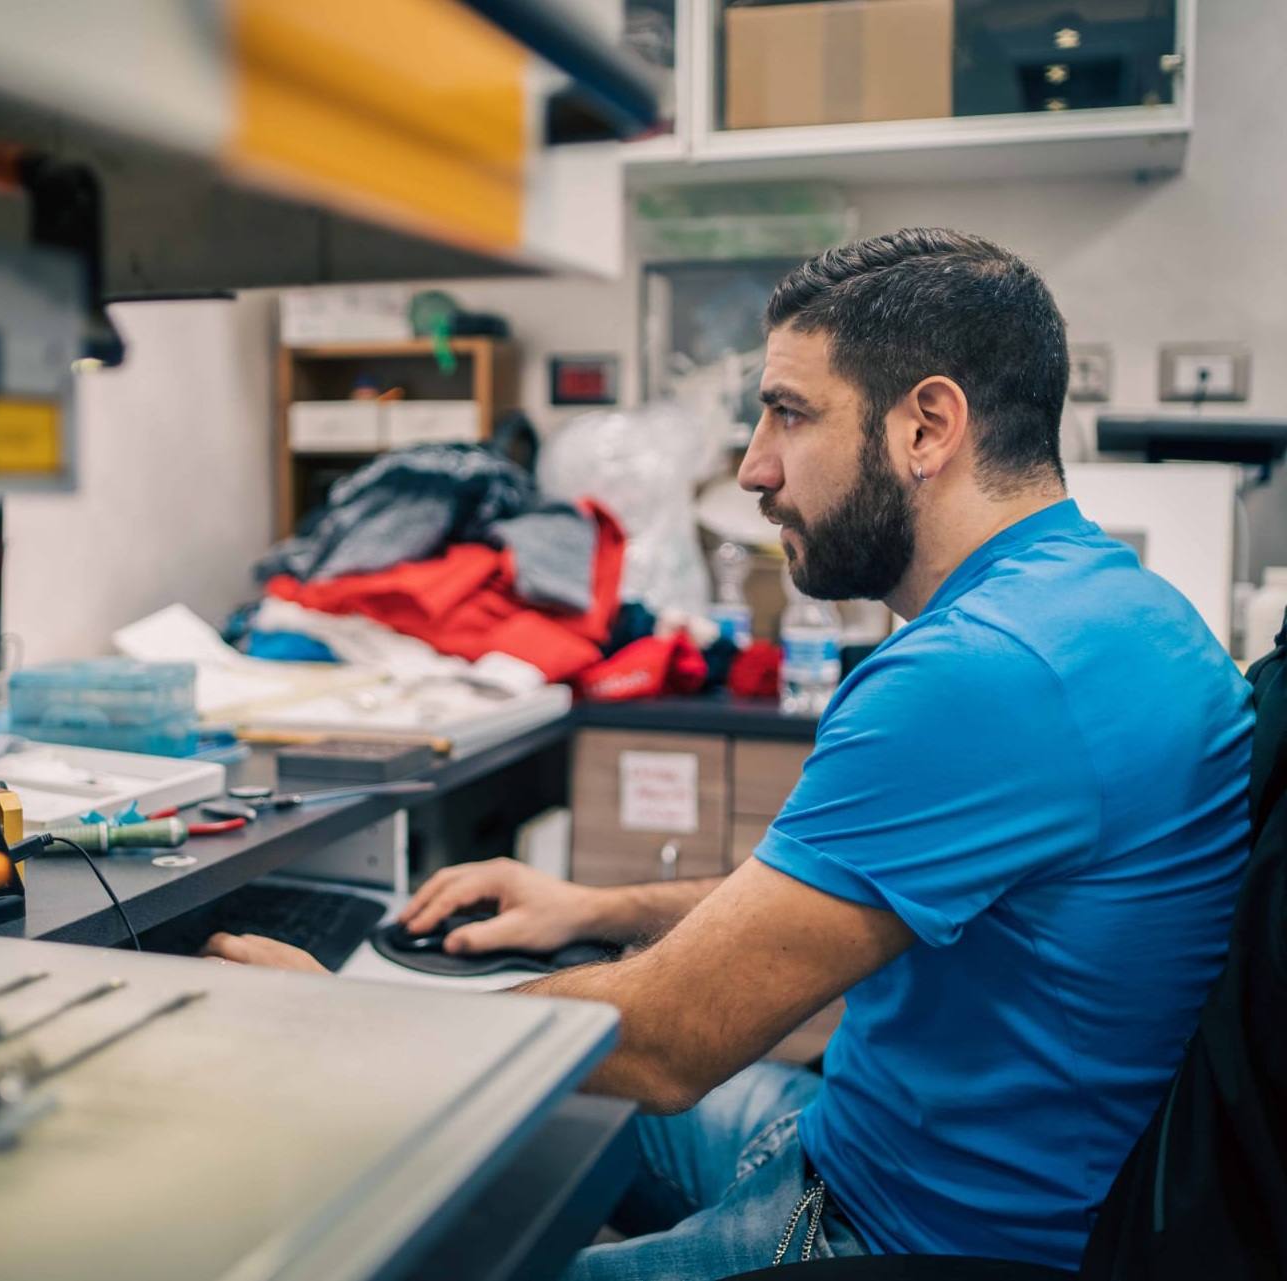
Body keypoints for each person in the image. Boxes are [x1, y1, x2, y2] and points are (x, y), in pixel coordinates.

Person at [205, 229, 1253, 1277]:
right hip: (860, 1139)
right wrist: (595, 909)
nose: (754, 466)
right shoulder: (1116, 607)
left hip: (893, 1234)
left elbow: (669, 1043)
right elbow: (825, 901)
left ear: (927, 425)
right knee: (502, 1110)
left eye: (789, 413)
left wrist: (339, 1022)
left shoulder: (981, 673)